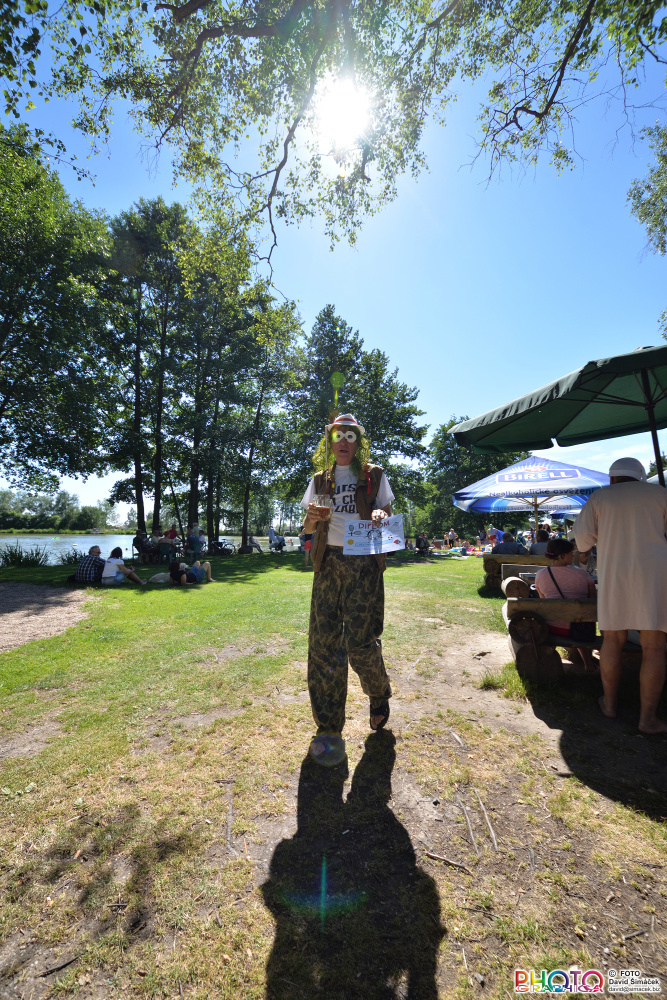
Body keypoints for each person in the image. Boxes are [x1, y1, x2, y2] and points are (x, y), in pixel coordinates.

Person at [301, 413, 394, 765]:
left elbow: (386, 513)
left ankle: (378, 693)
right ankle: (328, 725)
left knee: (360, 643)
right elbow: (308, 528)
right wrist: (311, 518)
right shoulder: (319, 480)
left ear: (358, 442)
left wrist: (381, 516)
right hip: (327, 564)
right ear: (330, 441)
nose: (343, 441)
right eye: (338, 435)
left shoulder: (375, 475)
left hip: (364, 563)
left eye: (350, 436)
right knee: (324, 645)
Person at [575, 457, 667, 734]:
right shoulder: (660, 493)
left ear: (612, 478)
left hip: (614, 573)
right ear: (639, 476)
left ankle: (610, 704)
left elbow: (582, 540)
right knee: (654, 647)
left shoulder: (600, 497)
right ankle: (648, 719)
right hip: (655, 574)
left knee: (612, 640)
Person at [535, 538, 597, 672]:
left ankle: (546, 660)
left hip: (553, 628)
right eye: (571, 553)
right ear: (562, 555)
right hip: (582, 629)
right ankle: (588, 663)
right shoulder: (582, 574)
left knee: (568, 619)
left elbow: (543, 601)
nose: (573, 555)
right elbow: (592, 600)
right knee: (578, 617)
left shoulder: (541, 574)